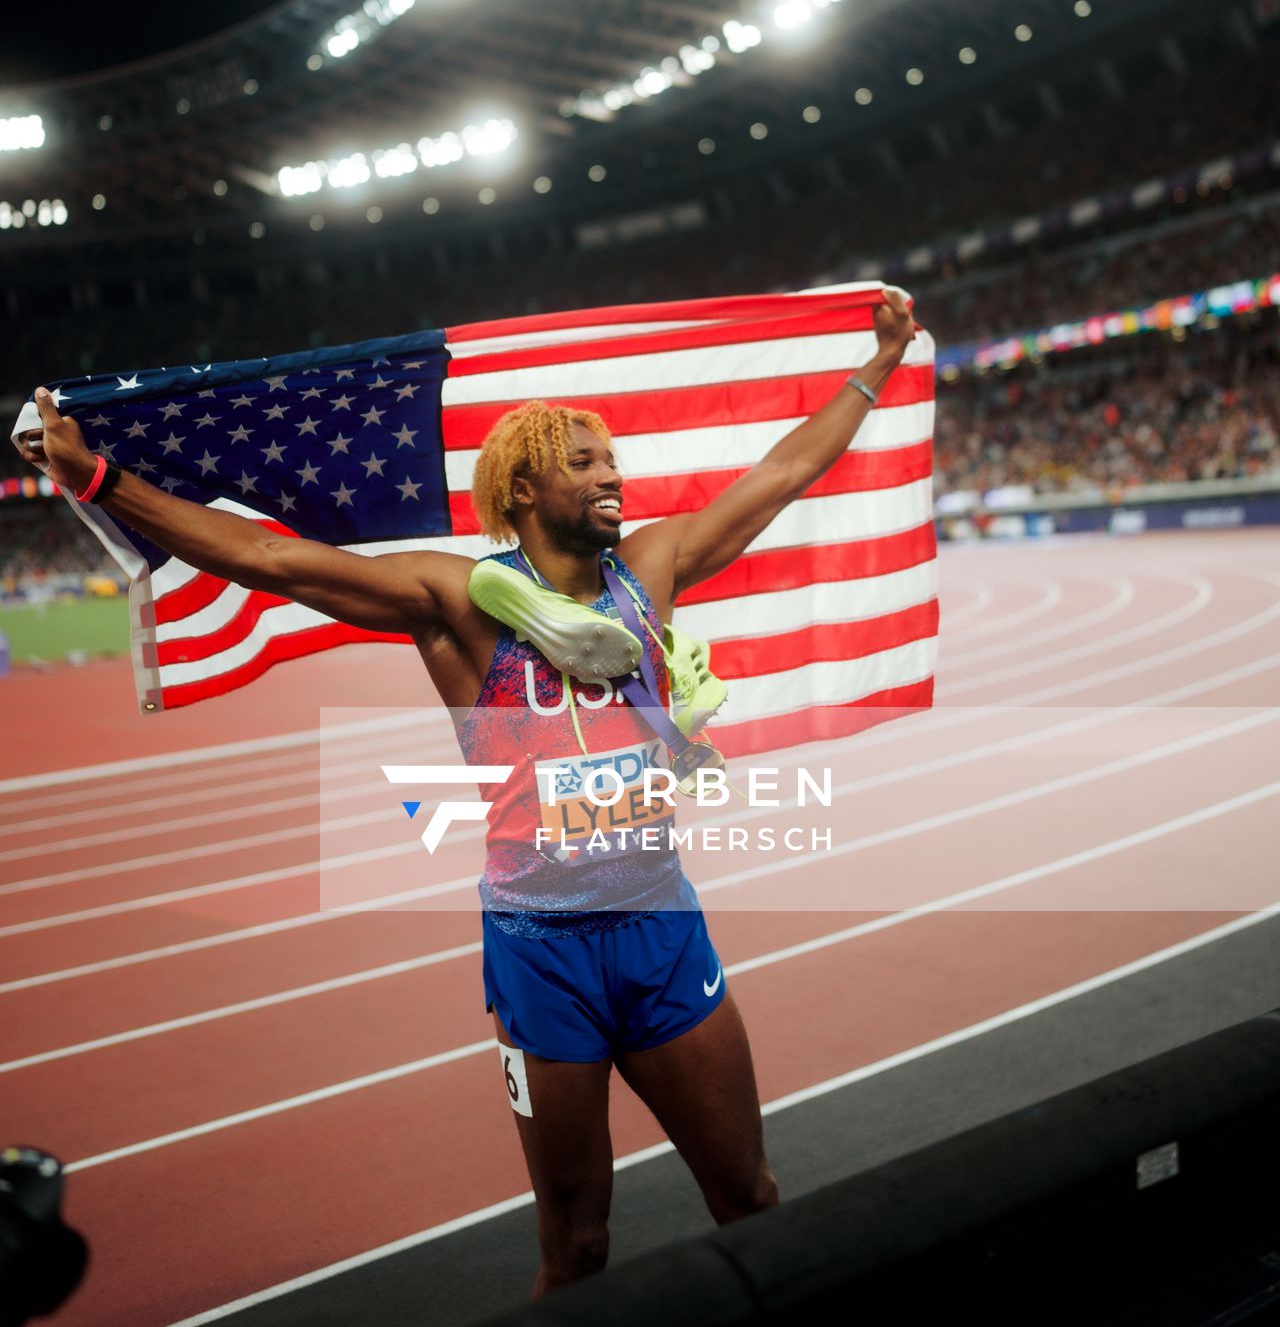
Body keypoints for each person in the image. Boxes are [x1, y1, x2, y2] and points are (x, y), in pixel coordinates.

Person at [17, 286, 915, 1293]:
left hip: (663, 927)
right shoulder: (456, 600)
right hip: (541, 953)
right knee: (576, 1244)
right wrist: (101, 479)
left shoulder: (650, 568)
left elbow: (783, 474)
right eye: (585, 463)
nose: (613, 475)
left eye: (612, 459)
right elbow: (272, 559)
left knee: (748, 1194)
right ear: (523, 490)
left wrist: (875, 366)